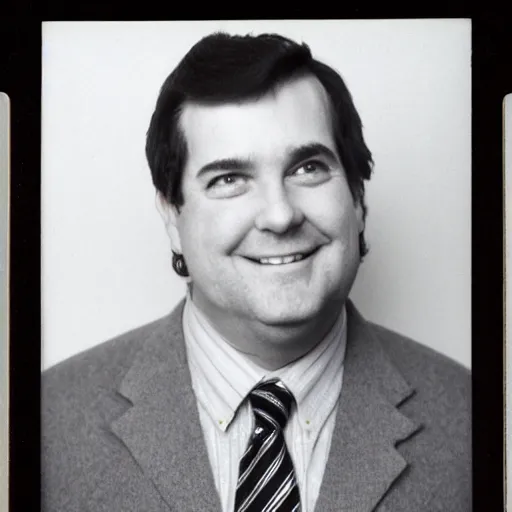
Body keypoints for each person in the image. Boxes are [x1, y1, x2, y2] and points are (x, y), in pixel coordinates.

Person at [41, 32, 471, 512]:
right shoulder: (43, 422)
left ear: (357, 197)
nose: (280, 215)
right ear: (172, 219)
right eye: (229, 179)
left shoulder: (477, 420)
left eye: (307, 168)